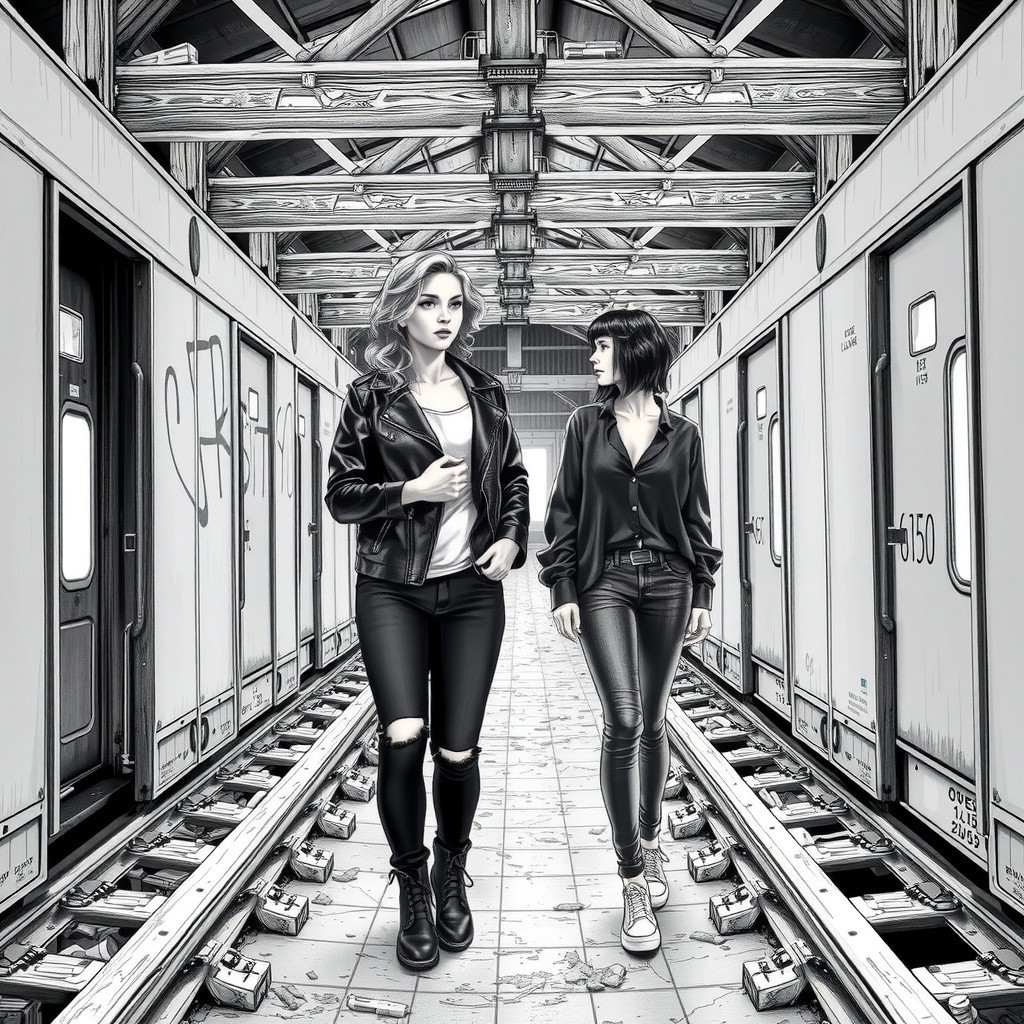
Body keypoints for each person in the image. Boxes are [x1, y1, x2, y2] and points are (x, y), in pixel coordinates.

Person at [324, 251, 530, 971]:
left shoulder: (488, 392)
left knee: (457, 749)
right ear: (402, 312)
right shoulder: (370, 397)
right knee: (404, 734)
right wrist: (409, 492)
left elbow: (511, 477)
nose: (444, 317)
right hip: (393, 586)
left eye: (454, 305)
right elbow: (340, 496)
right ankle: (412, 882)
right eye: (429, 304)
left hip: (473, 590)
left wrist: (510, 537)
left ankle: (451, 870)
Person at [537, 308, 722, 954]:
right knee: (621, 720)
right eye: (592, 348)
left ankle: (651, 836)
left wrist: (702, 589)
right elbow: (564, 512)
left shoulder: (685, 435)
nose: (593, 359)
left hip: (669, 584)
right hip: (604, 584)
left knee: (653, 719)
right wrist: (562, 588)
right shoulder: (583, 427)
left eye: (603, 347)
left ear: (637, 354)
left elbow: (695, 519)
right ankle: (632, 878)